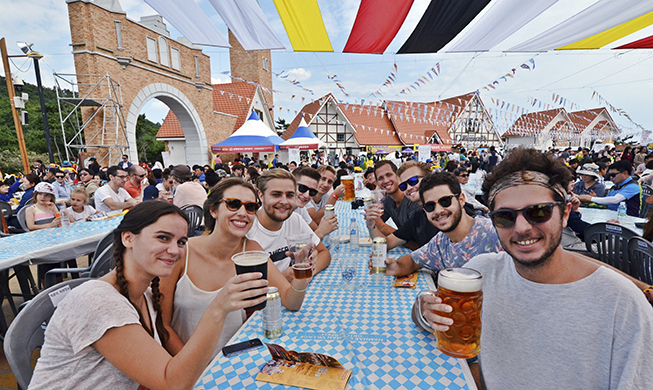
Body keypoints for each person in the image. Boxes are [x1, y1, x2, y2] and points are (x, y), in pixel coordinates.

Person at [415, 148, 653, 389]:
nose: (521, 228)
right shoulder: (482, 272)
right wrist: (425, 304)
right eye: (505, 216)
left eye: (538, 212)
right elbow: (429, 315)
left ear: (565, 213)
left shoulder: (622, 304)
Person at [29, 201, 268, 389]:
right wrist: (218, 309)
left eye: (182, 241)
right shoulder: (98, 301)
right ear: (128, 238)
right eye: (163, 238)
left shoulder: (143, 294)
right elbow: (172, 383)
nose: (175, 250)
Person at [160, 178, 310, 359]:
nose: (242, 213)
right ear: (213, 210)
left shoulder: (252, 250)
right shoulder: (182, 252)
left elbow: (291, 302)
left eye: (250, 207)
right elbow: (163, 325)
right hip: (189, 367)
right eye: (233, 204)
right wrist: (192, 368)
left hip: (235, 360)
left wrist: (302, 274)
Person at [381, 172, 501, 277]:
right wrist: (395, 266)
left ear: (461, 200)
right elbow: (412, 261)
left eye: (445, 201)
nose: (438, 210)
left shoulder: (494, 234)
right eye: (430, 206)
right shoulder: (440, 242)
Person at [246, 169, 331, 282]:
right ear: (261, 196)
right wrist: (282, 279)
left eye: (290, 195)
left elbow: (324, 253)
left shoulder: (294, 219)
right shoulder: (247, 229)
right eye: (276, 195)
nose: (284, 201)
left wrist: (309, 272)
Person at [367, 161, 437, 250]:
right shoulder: (417, 216)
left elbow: (417, 245)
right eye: (404, 185)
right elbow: (386, 243)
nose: (409, 188)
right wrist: (372, 225)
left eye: (413, 181)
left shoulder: (421, 206)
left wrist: (381, 226)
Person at [364, 160, 422, 237]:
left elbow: (417, 242)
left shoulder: (412, 200)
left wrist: (382, 226)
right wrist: (372, 221)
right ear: (377, 183)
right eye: (380, 178)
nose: (386, 180)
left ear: (398, 176)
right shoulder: (389, 200)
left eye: (389, 175)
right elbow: (377, 223)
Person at [292, 166, 338, 239]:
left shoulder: (300, 208)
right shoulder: (282, 212)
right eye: (303, 188)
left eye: (312, 192)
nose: (307, 195)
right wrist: (335, 196)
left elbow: (314, 230)